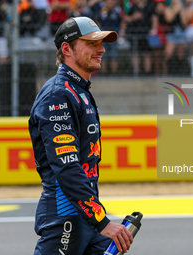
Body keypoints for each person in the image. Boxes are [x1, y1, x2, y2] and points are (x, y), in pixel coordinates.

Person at [28, 17, 133, 255]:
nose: (102, 49)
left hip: (85, 214)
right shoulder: (58, 95)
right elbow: (66, 167)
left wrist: (97, 218)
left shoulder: (78, 91)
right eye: (92, 43)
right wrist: (103, 222)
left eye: (101, 43)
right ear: (66, 49)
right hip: (66, 213)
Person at [95, 0, 123, 74]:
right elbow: (97, 21)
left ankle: (114, 73)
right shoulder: (102, 12)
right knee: (103, 55)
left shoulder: (116, 12)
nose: (110, 4)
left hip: (114, 35)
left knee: (114, 55)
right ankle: (104, 73)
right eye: (109, 3)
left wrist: (121, 31)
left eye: (112, 3)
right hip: (104, 35)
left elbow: (121, 21)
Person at [163, 0, 186, 76]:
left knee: (180, 53)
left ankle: (179, 72)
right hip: (172, 33)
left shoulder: (182, 9)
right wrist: (174, 10)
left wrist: (181, 11)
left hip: (181, 32)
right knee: (168, 53)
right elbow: (169, 19)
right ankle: (170, 71)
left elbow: (184, 22)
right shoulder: (168, 9)